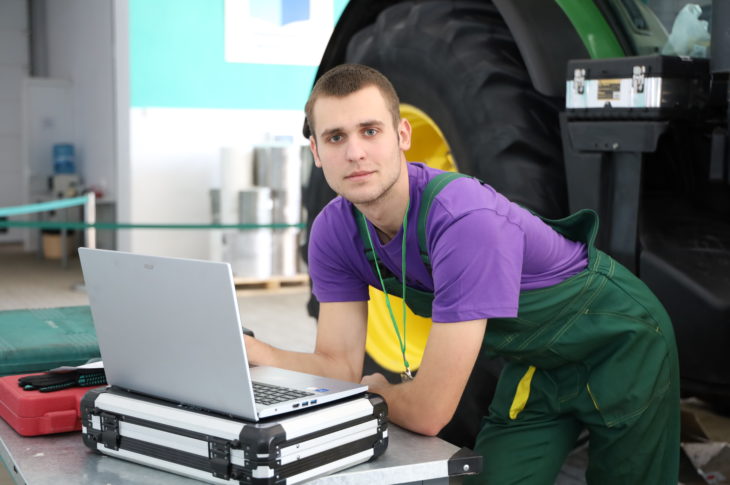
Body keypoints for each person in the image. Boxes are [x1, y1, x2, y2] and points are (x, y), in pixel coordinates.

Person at [244, 63, 680, 484]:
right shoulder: (333, 232)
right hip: (539, 363)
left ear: (402, 135)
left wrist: (376, 392)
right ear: (317, 153)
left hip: (621, 344)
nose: (355, 152)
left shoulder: (464, 221)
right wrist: (257, 352)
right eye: (336, 137)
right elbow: (337, 366)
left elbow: (428, 414)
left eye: (370, 131)